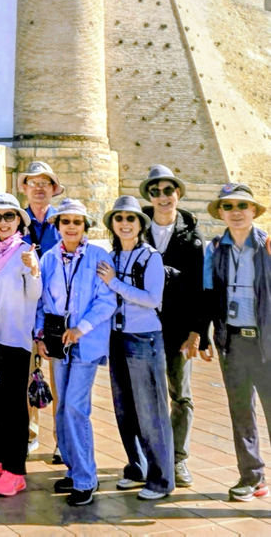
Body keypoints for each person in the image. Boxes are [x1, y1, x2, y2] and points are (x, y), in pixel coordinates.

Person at [35, 198, 115, 507]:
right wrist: (39, 334)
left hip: (86, 342)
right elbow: (42, 301)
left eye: (77, 222)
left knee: (76, 408)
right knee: (61, 407)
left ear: (85, 227)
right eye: (65, 221)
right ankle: (72, 468)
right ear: (57, 226)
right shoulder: (49, 259)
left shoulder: (98, 256)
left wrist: (80, 328)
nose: (71, 227)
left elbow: (106, 301)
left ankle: (86, 479)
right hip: (58, 343)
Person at [97, 195, 174, 501]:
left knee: (150, 408)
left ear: (140, 224)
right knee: (125, 407)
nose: (125, 224)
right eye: (119, 219)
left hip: (144, 338)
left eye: (131, 219)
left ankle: (162, 479)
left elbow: (153, 299)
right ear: (112, 225)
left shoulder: (150, 257)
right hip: (117, 337)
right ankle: (137, 466)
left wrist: (115, 284)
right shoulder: (111, 258)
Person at [201, 183, 271, 502]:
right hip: (232, 342)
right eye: (228, 207)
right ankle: (252, 477)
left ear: (254, 211)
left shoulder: (268, 245)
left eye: (242, 206)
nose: (236, 212)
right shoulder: (214, 249)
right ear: (221, 213)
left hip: (265, 343)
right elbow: (208, 295)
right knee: (241, 412)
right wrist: (204, 336)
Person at [139, 165, 206, 488]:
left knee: (181, 396)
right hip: (143, 328)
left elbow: (201, 289)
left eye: (168, 190)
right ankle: (152, 457)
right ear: (149, 197)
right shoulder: (136, 232)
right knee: (147, 395)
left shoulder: (193, 238)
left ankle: (178, 459)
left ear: (178, 194)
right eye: (156, 191)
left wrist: (197, 332)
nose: (163, 197)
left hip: (179, 330)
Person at [0, 194, 42, 497]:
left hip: (17, 338)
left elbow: (34, 295)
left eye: (9, 216)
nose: (3, 222)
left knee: (15, 406)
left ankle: (16, 470)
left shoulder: (26, 252)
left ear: (18, 221)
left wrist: (34, 270)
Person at [18, 160, 64, 459]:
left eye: (44, 183)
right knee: (26, 376)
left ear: (52, 190)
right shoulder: (13, 220)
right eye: (33, 183)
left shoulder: (64, 221)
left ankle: (63, 440)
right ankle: (29, 434)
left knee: (61, 378)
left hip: (56, 313)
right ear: (25, 188)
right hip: (24, 309)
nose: (38, 188)